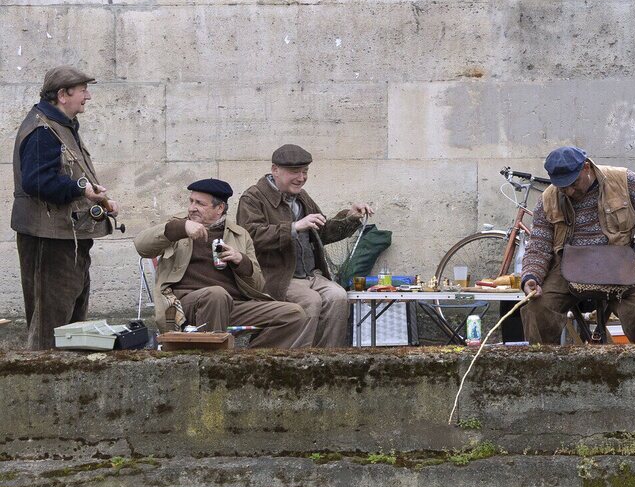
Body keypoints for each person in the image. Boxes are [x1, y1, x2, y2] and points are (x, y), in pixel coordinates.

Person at [517, 147, 635, 345]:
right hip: (568, 266)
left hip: (618, 263)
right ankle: (543, 369)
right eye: (562, 187)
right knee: (536, 309)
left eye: (573, 183)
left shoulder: (623, 181)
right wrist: (531, 276)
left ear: (586, 167)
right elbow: (539, 245)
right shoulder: (548, 199)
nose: (570, 191)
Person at [134, 179, 314, 348]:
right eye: (191, 201)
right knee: (216, 294)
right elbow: (141, 245)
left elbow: (259, 285)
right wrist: (182, 228)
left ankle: (249, 363)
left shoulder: (240, 234)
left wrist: (240, 260)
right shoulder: (178, 228)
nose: (192, 208)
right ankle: (211, 366)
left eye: (200, 203)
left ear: (219, 208)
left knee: (293, 314)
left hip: (233, 305)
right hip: (186, 304)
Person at [12, 67, 117, 349]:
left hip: (66, 239)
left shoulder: (61, 126)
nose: (88, 96)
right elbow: (37, 181)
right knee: (51, 329)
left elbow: (62, 175)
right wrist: (80, 190)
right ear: (62, 94)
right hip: (50, 242)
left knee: (72, 326)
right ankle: (41, 387)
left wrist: (98, 200)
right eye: (83, 90)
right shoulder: (42, 129)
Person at [236, 144, 375, 348]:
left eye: (305, 171)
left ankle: (326, 362)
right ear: (275, 170)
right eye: (295, 172)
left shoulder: (302, 197)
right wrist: (293, 227)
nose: (301, 177)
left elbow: (322, 233)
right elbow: (250, 237)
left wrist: (350, 217)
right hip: (278, 277)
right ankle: (298, 363)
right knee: (310, 301)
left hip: (311, 275)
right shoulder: (253, 198)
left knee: (337, 296)